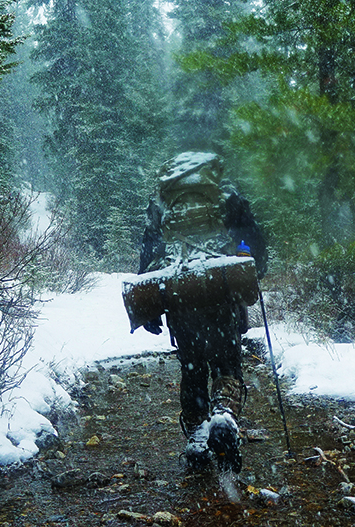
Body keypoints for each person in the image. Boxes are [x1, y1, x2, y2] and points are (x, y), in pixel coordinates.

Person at [137, 152, 267, 473]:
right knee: (226, 365)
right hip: (222, 294)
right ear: (211, 173)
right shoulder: (228, 196)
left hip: (182, 298)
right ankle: (223, 417)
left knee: (192, 370)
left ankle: (197, 437)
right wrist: (253, 272)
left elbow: (149, 253)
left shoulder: (162, 205)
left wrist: (151, 309)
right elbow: (255, 243)